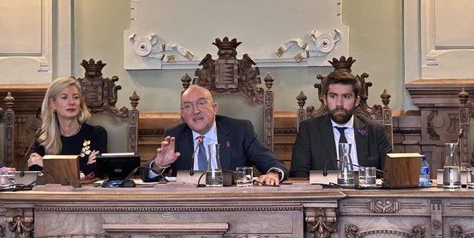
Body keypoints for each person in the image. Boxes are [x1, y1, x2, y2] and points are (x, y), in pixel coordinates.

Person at [146, 84, 287, 185]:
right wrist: (159, 165)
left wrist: (272, 174)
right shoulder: (175, 136)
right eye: (188, 106)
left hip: (232, 203)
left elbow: (273, 164)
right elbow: (147, 176)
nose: (195, 111)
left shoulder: (240, 130)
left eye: (201, 103)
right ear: (183, 114)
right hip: (186, 206)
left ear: (214, 108)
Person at [290, 71, 392, 177]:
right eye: (333, 96)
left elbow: (390, 172)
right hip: (325, 192)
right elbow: (298, 174)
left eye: (346, 97)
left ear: (356, 101)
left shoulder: (374, 131)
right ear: (325, 99)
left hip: (366, 192)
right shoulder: (309, 130)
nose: (339, 103)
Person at [27, 76, 107, 177]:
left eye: (76, 97)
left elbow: (97, 170)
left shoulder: (96, 133)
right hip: (52, 191)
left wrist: (46, 164)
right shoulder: (43, 138)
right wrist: (83, 168)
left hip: (86, 192)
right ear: (52, 104)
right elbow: (35, 169)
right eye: (64, 97)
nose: (71, 102)